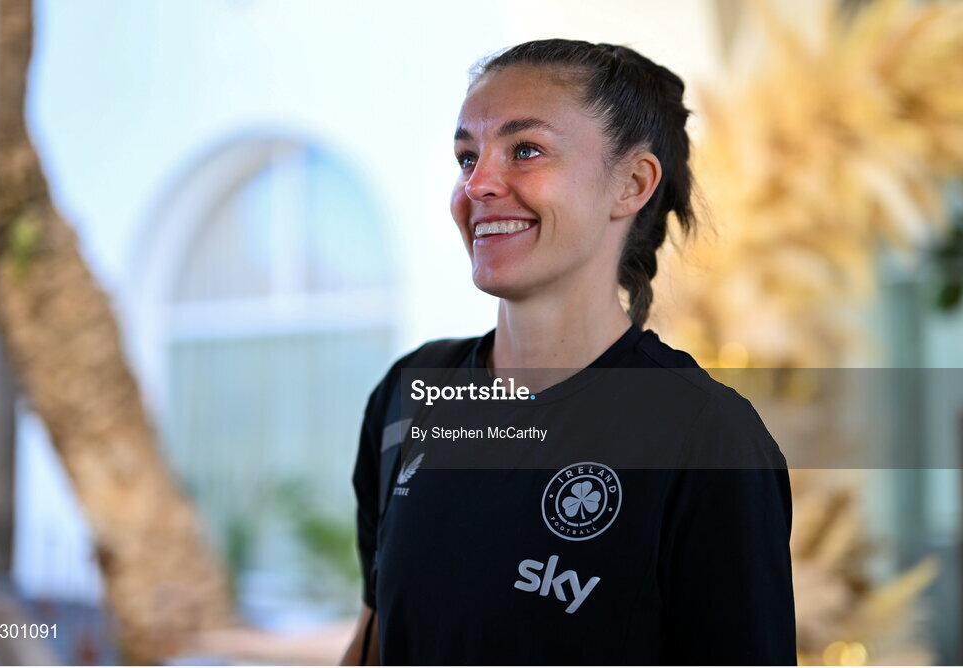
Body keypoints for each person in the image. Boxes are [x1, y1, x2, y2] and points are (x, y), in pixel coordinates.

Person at [340, 38, 796, 665]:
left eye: (525, 150)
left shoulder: (706, 439)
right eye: (467, 156)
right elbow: (375, 638)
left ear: (631, 184)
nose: (478, 184)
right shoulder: (411, 391)